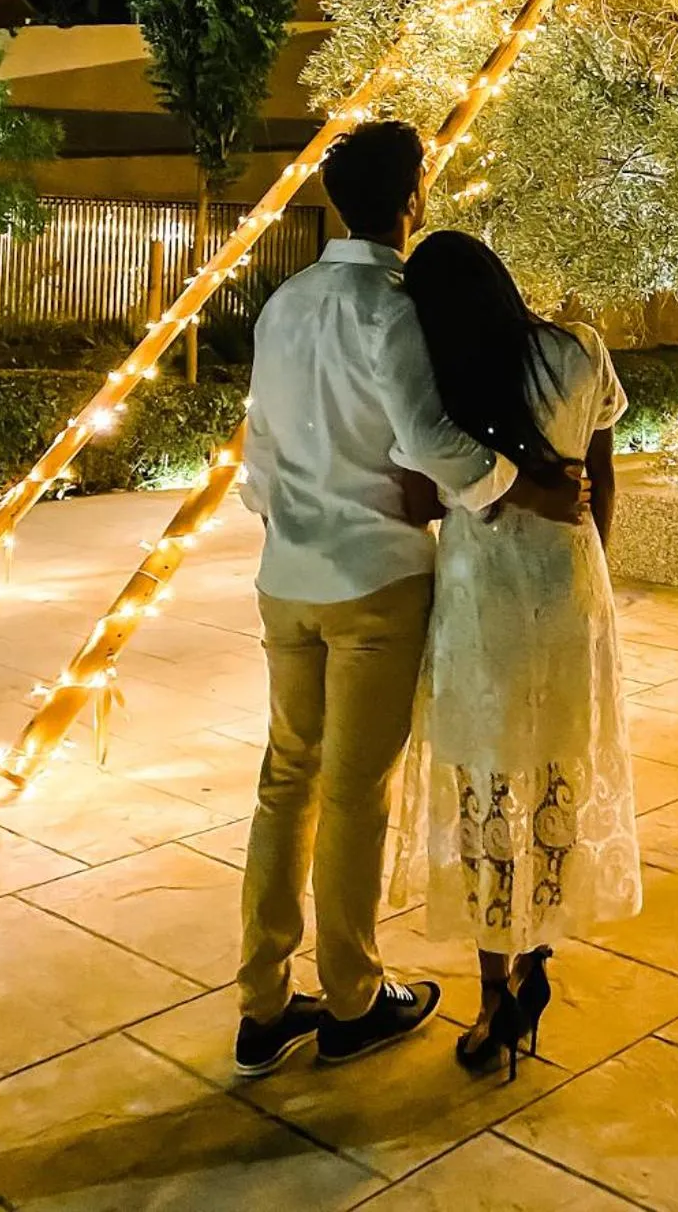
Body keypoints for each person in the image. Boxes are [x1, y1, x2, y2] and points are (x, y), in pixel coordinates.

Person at [233, 121, 586, 1078]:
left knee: (283, 781)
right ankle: (350, 999)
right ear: (411, 200)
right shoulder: (392, 310)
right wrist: (522, 485)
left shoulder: (284, 304)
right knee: (352, 794)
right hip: (375, 580)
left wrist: (287, 523)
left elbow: (256, 455)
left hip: (285, 579)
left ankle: (263, 1003)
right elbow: (430, 441)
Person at [390, 231, 641, 1077]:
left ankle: (495, 991)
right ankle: (538, 949)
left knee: (485, 785)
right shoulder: (580, 350)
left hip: (481, 593)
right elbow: (601, 478)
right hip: (569, 586)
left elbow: (425, 494)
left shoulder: (445, 382)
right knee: (553, 775)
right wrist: (588, 569)